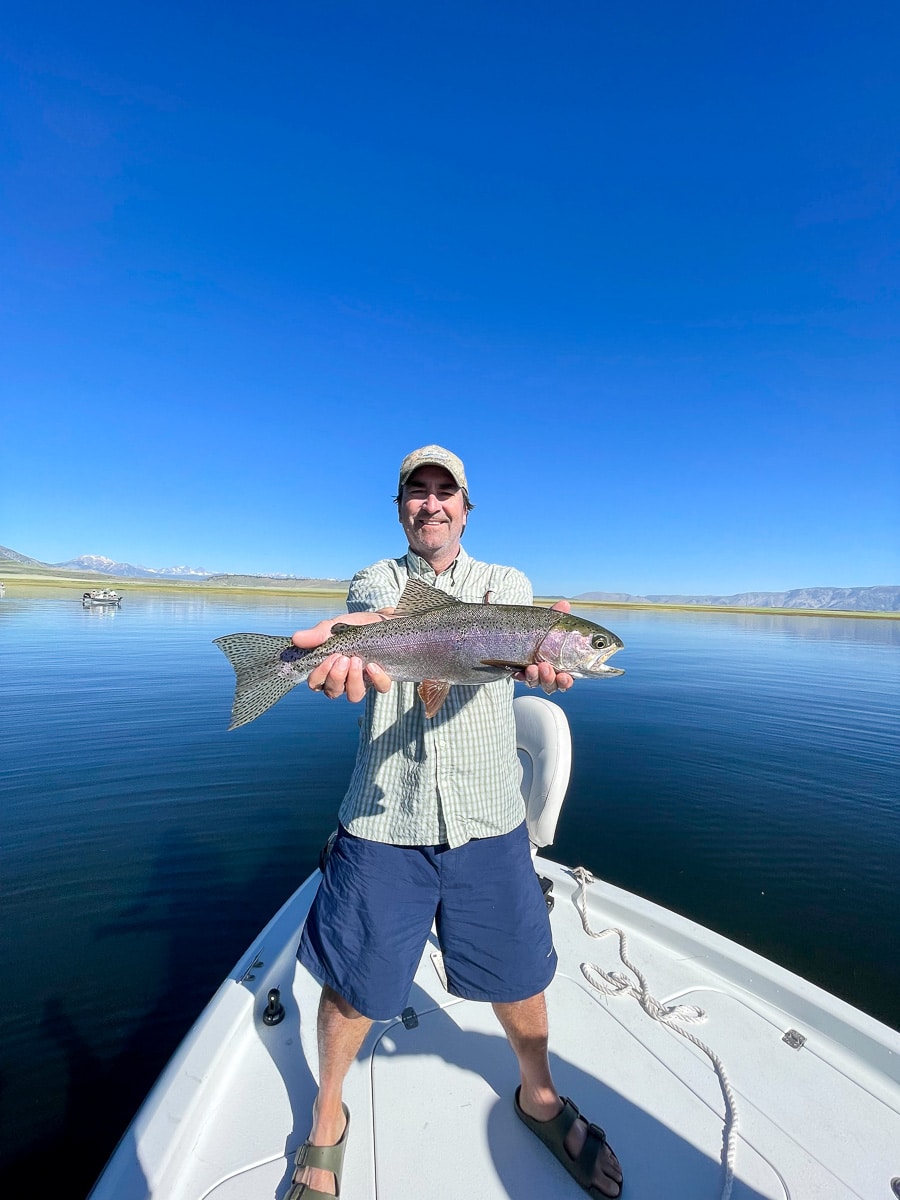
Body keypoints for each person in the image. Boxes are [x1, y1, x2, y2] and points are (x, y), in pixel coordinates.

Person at [287, 446, 623, 1199]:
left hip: (488, 815)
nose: (432, 504)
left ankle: (539, 1097)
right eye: (418, 492)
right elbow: (378, 610)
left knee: (521, 971)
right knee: (352, 986)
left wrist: (543, 651)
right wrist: (357, 638)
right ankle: (326, 1117)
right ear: (401, 506)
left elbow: (513, 645)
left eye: (447, 492)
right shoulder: (381, 581)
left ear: (467, 508)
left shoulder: (509, 589)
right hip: (383, 815)